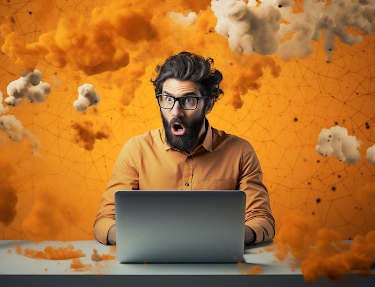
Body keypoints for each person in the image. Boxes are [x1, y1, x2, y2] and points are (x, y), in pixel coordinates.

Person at [93, 52, 275, 245]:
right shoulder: (136, 151)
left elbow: (262, 219)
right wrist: (129, 236)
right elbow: (104, 221)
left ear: (209, 105)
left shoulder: (240, 152)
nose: (175, 112)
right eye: (167, 99)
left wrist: (231, 236)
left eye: (188, 100)